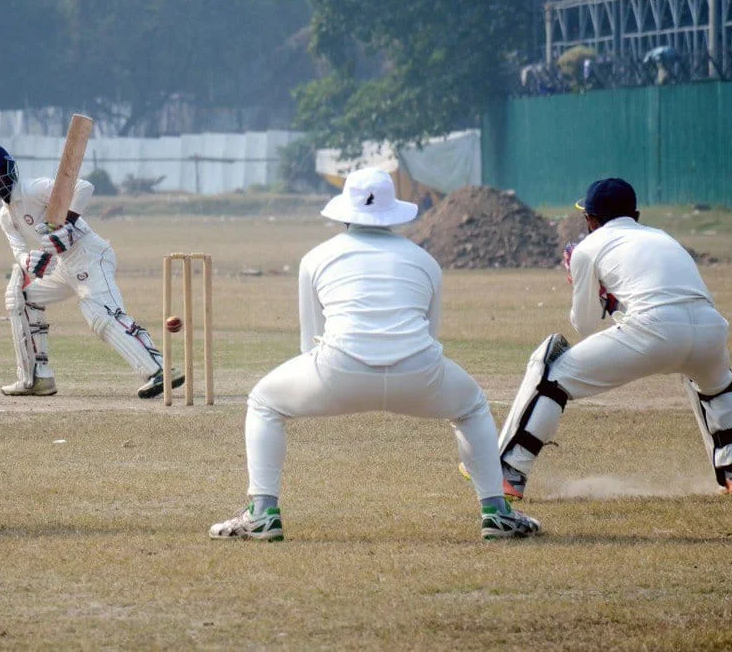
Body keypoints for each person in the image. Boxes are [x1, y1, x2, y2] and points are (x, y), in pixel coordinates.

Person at [208, 168, 543, 542]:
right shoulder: (424, 260)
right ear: (392, 212)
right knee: (472, 407)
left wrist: (330, 383)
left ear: (345, 210)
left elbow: (309, 341)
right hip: (419, 372)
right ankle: (496, 512)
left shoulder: (316, 257)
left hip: (337, 371)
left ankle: (261, 513)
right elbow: (430, 335)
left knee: (264, 402)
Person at [493, 177, 732, 499]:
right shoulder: (663, 237)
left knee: (550, 371)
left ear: (590, 220)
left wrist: (589, 289)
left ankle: (510, 471)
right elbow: (668, 296)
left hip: (654, 331)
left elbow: (586, 324)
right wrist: (612, 299)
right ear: (635, 214)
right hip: (711, 329)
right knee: (716, 386)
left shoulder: (587, 248)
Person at [0, 144, 178, 398]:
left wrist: (66, 225)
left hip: (89, 255)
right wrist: (30, 262)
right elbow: (19, 250)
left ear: (9, 170)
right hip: (62, 266)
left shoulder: (33, 189)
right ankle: (36, 378)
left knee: (99, 314)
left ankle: (158, 370)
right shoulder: (6, 216)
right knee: (21, 296)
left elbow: (83, 187)